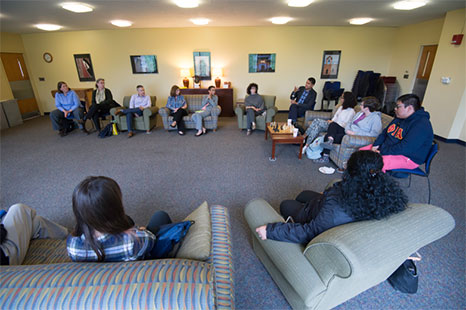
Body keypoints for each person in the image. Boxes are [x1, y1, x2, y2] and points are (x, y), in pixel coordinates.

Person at [255, 150, 407, 244]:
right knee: (303, 194)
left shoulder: (335, 207)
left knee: (286, 204)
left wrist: (271, 231)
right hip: (325, 204)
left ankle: (299, 210)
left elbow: (310, 231)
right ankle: (310, 202)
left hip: (314, 214)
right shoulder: (381, 191)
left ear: (350, 172)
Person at [66, 176, 179, 262]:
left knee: (128, 220)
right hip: (140, 256)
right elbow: (151, 240)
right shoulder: (134, 241)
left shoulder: (73, 245)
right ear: (116, 209)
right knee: (160, 216)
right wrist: (141, 230)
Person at [360, 94, 434, 172]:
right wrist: (376, 145)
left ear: (409, 108)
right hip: (389, 149)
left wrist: (382, 151)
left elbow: (405, 148)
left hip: (407, 157)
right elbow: (385, 132)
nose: (395, 108)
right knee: (360, 153)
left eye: (398, 106)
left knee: (375, 163)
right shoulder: (400, 117)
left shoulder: (421, 125)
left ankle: (369, 182)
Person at [313, 96, 382, 163]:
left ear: (367, 108)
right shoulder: (360, 113)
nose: (360, 106)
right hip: (348, 131)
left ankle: (325, 156)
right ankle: (330, 140)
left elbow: (375, 134)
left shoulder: (375, 118)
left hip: (354, 136)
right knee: (333, 125)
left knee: (327, 136)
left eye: (361, 105)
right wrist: (347, 130)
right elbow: (349, 123)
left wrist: (355, 133)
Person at [0, 204, 69, 265]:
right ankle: (70, 238)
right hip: (5, 256)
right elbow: (2, 233)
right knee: (19, 209)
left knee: (36, 221)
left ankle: (69, 237)